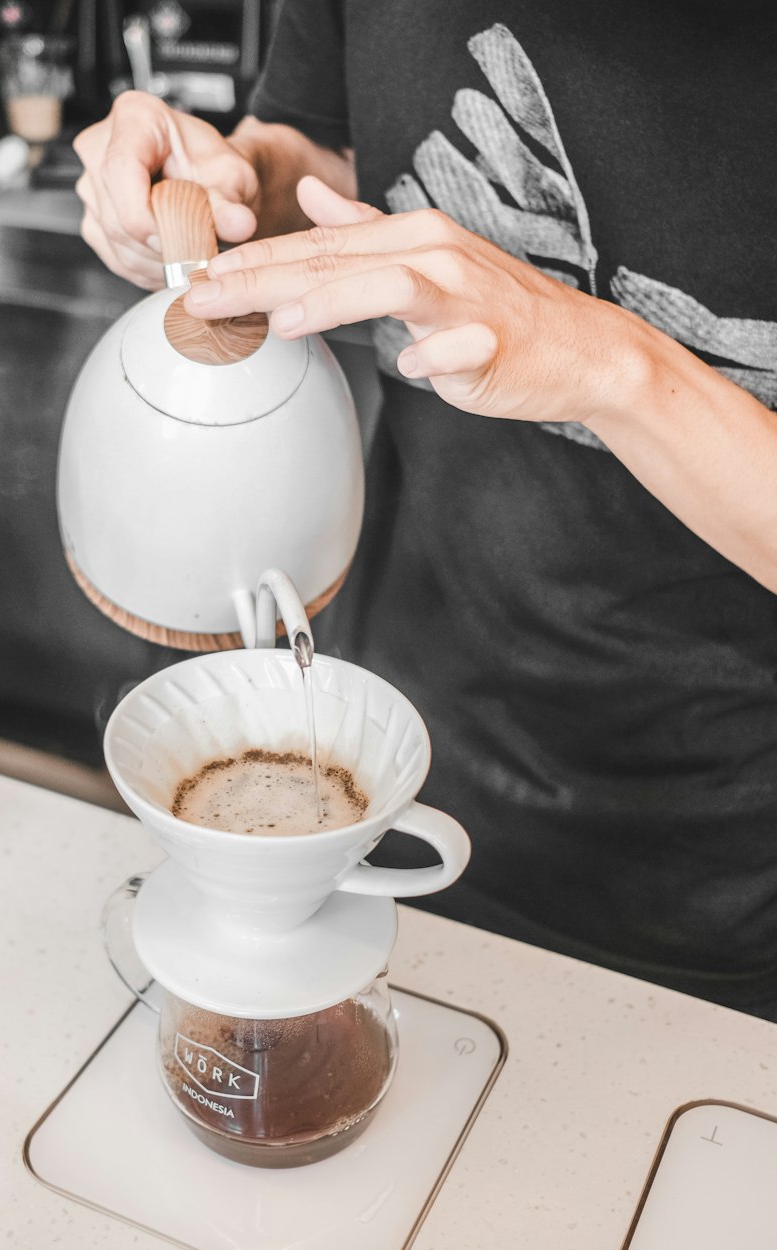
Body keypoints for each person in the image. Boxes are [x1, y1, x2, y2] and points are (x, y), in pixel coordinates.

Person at [74, 2, 777, 1019]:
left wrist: (611, 362)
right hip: (385, 770)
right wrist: (230, 192)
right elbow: (330, 151)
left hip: (717, 876)